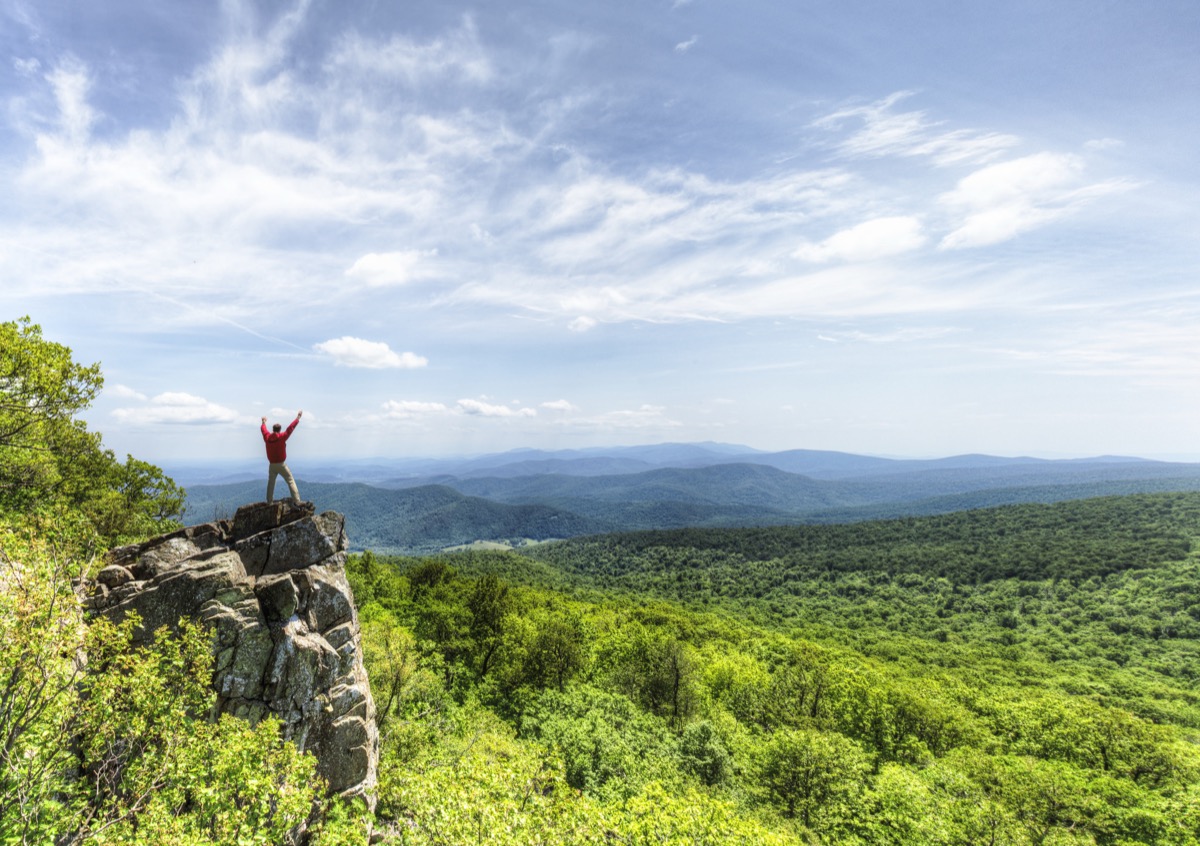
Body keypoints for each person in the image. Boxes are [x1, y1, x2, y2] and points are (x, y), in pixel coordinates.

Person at [261, 410, 303, 504]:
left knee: (271, 482)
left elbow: (263, 430)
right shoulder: (282, 436)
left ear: (273, 430)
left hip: (272, 465)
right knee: (290, 480)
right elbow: (290, 428)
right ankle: (297, 501)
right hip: (281, 464)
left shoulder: (267, 438)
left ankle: (269, 501)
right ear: (279, 430)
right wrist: (298, 418)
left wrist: (263, 422)